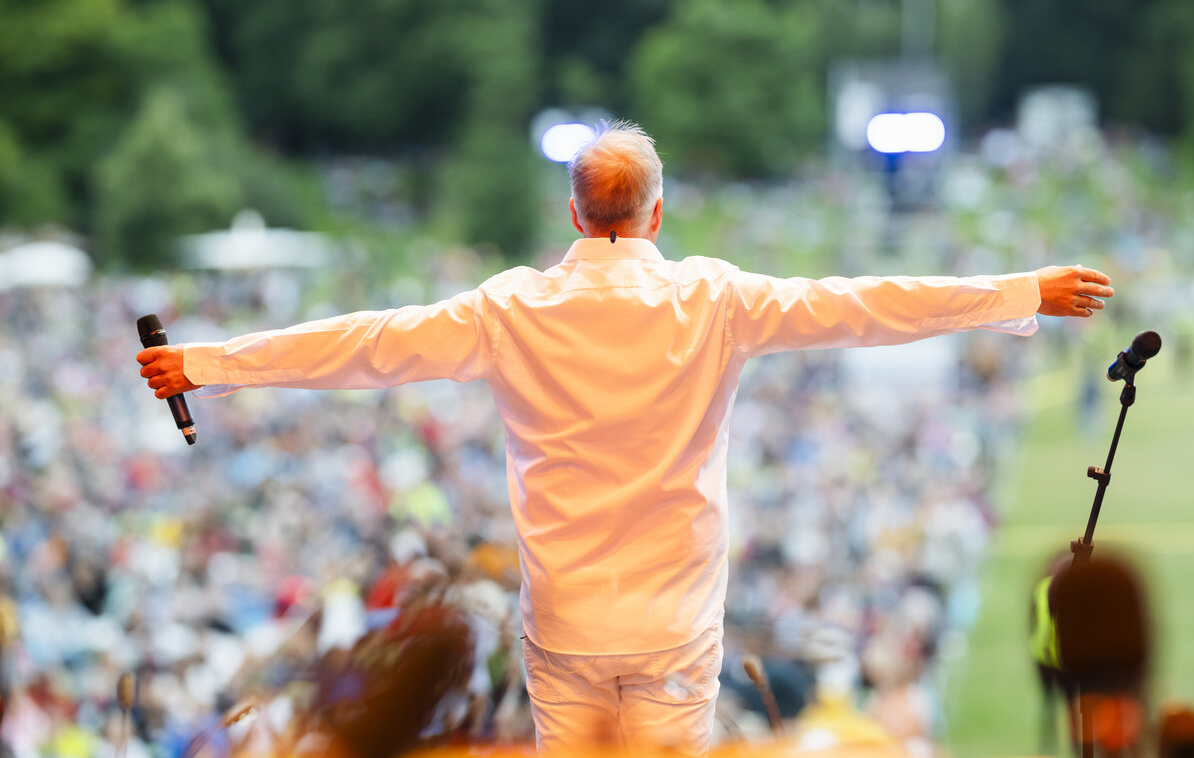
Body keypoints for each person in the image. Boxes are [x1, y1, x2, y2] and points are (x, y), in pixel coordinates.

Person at [138, 120, 1114, 756]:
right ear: (656, 211)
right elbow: (863, 305)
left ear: (574, 212)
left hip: (566, 620)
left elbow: (366, 345)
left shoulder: (511, 308)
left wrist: (207, 362)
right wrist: (1018, 291)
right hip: (674, 620)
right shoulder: (715, 299)